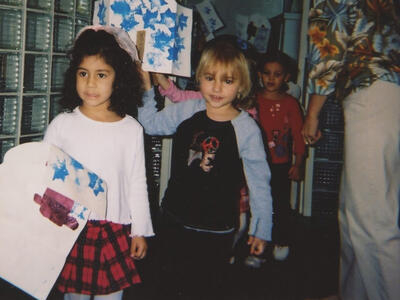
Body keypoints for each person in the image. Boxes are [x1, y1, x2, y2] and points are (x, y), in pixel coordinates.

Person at [138, 38, 273, 299]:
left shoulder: (246, 129)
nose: (218, 87)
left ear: (242, 85)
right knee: (167, 286)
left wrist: (261, 229)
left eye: (228, 80)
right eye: (210, 78)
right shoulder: (188, 109)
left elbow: (259, 184)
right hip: (174, 218)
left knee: (207, 289)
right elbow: (152, 124)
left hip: (216, 227)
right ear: (199, 78)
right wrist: (146, 91)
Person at [43, 25, 154, 300]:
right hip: (71, 227)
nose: (91, 83)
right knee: (75, 296)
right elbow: (44, 176)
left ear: (118, 79)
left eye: (101, 74)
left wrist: (140, 230)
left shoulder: (131, 129)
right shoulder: (63, 125)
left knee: (111, 296)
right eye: (84, 74)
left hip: (115, 228)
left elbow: (137, 183)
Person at [302, 1, 400, 299]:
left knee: (371, 220)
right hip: (390, 93)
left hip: (373, 91)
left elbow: (329, 43)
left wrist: (313, 111)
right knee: (362, 212)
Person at [250, 50, 305, 263]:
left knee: (279, 205)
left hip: (279, 165)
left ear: (286, 77)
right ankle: (253, 246)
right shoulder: (252, 98)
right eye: (267, 73)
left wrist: (298, 163)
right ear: (260, 75)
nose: (271, 78)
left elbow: (299, 136)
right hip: (253, 163)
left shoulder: (291, 104)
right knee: (255, 204)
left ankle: (280, 240)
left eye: (277, 74)